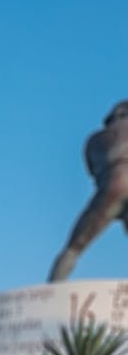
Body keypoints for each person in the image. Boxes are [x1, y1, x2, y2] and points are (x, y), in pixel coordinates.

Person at [48, 100, 128, 281]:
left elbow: (93, 172)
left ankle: (53, 287)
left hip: (112, 184)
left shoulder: (95, 139)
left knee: (74, 247)